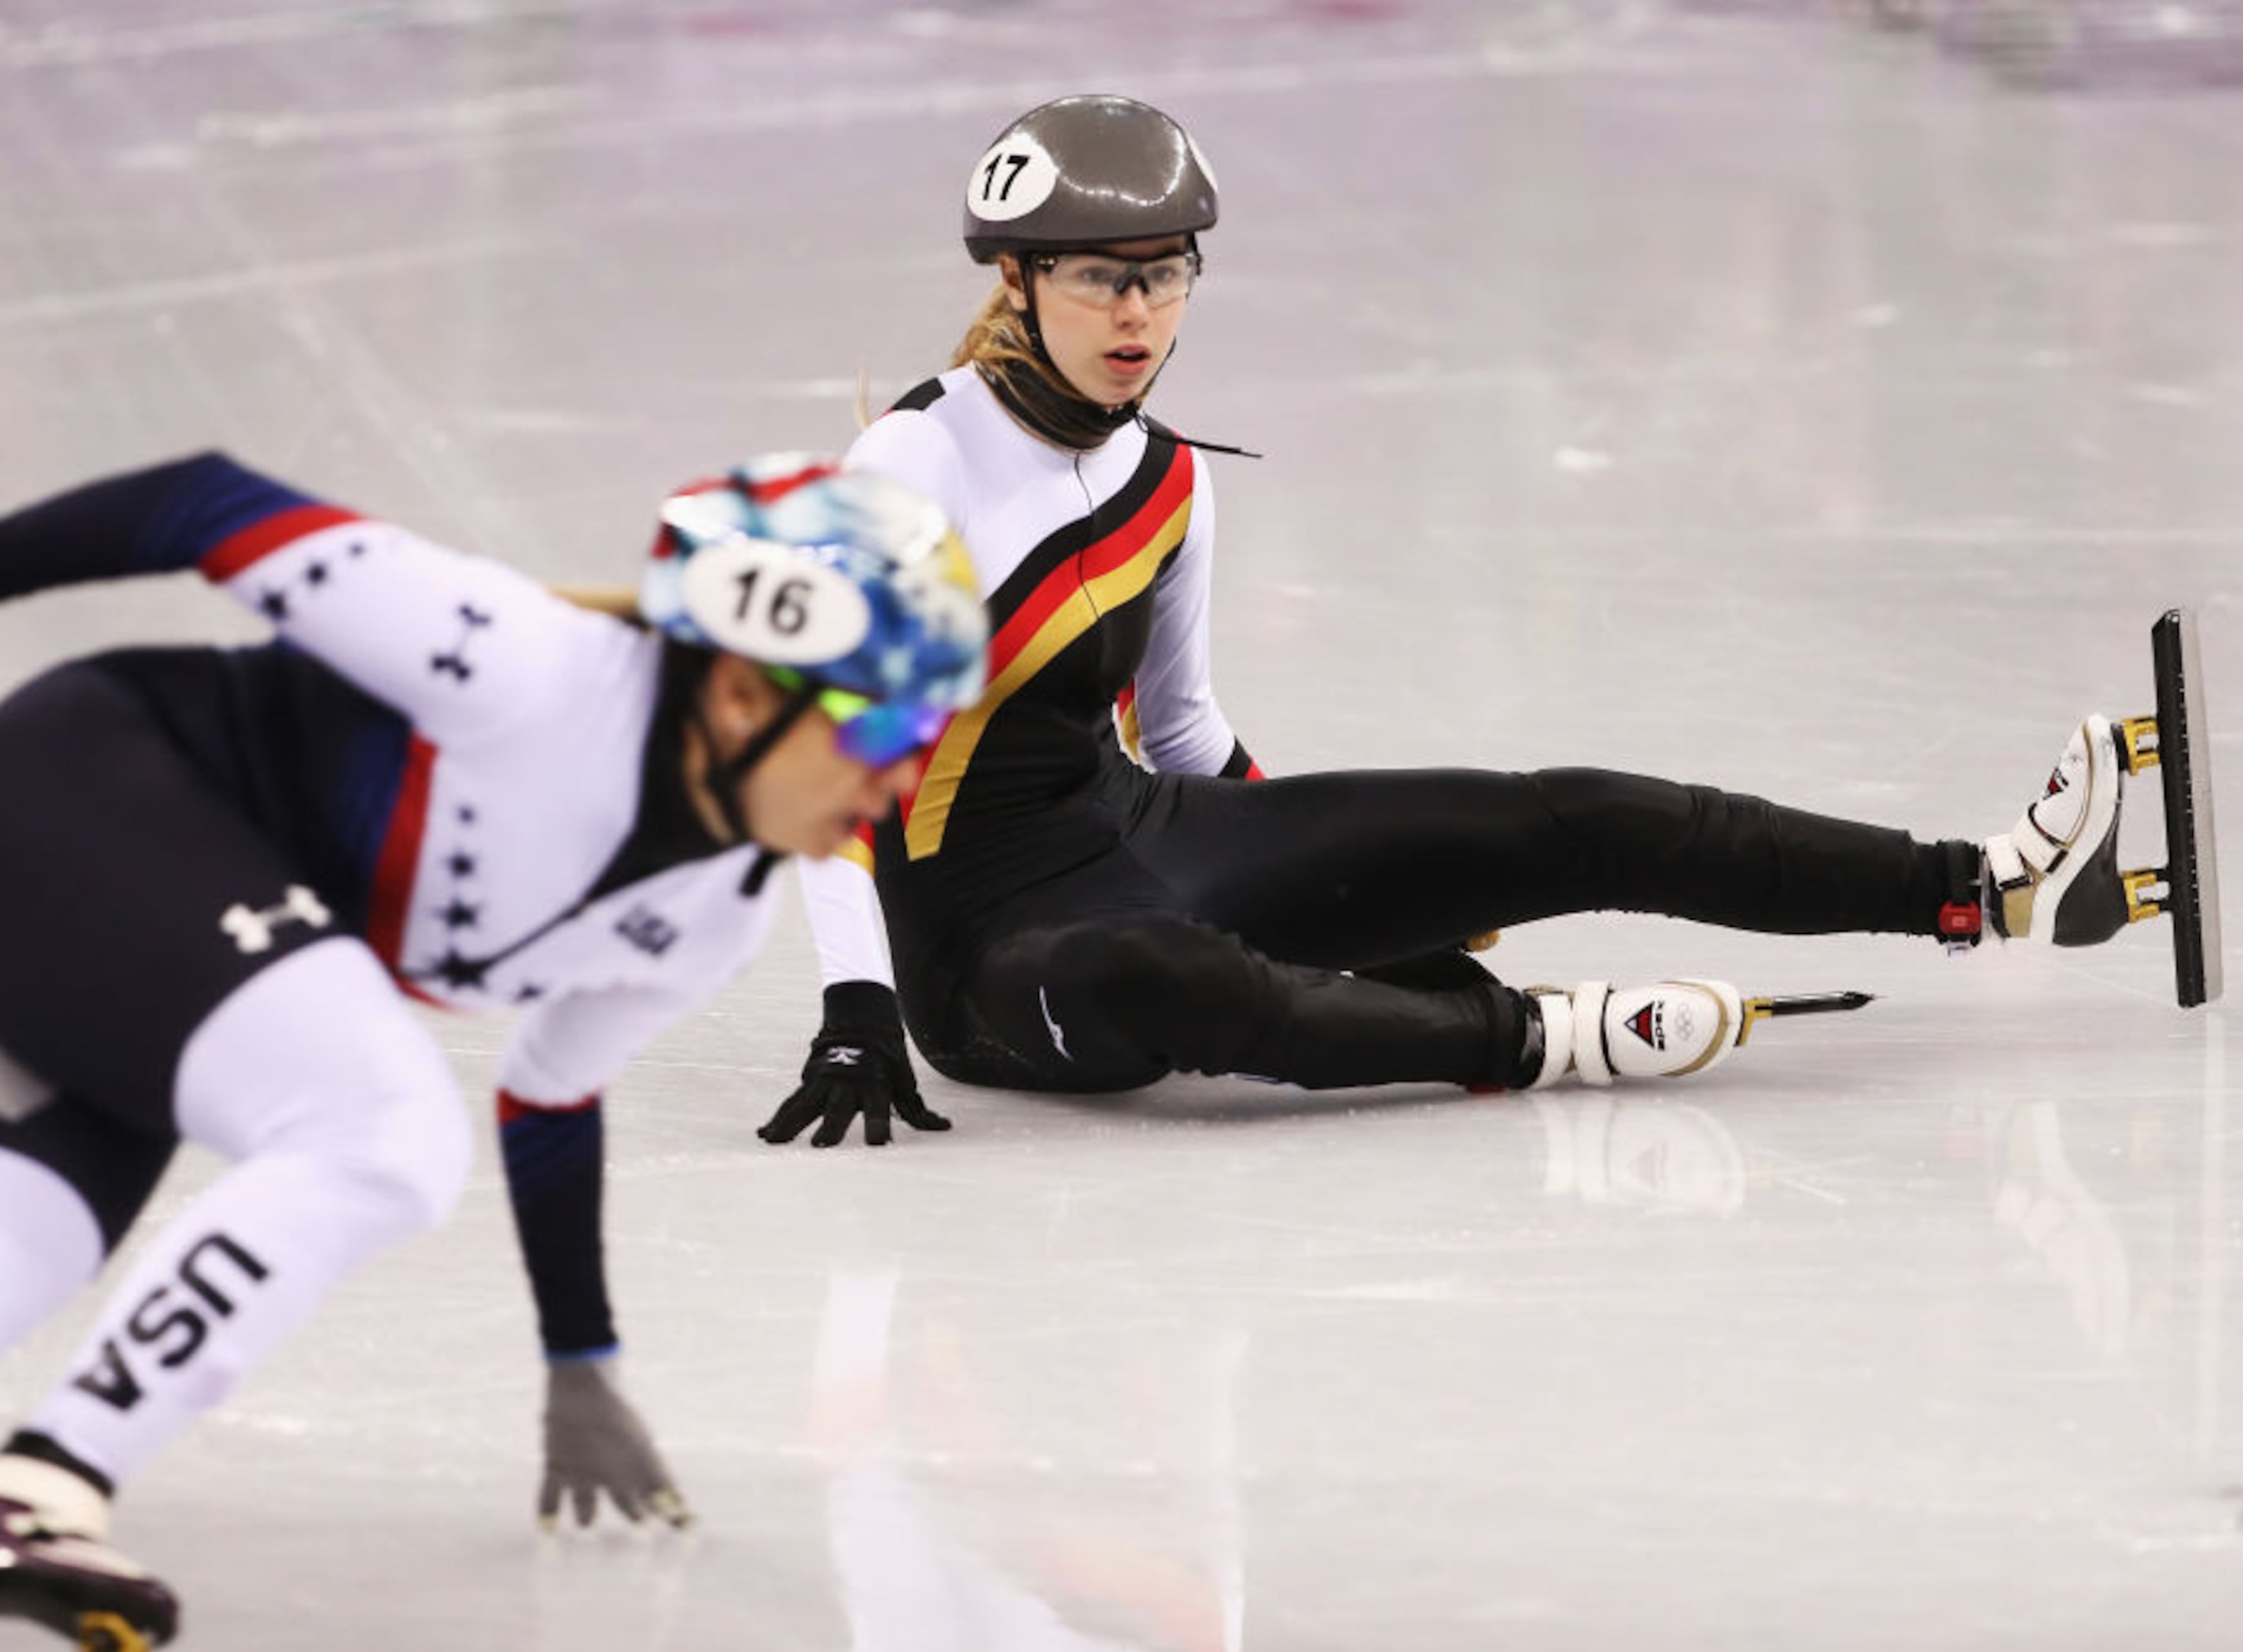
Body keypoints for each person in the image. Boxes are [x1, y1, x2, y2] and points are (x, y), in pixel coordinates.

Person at [0, 450, 987, 1652]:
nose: (898, 780)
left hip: (108, 959)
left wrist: (580, 1363)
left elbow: (551, 1095)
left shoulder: (710, 923)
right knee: (385, 1129)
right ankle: (41, 1493)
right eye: (883, 721)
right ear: (740, 690)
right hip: (73, 794)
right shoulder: (525, 664)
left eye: (928, 733)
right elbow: (198, 505)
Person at [755, 93, 2141, 1148]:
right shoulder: (912, 467)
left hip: (1149, 841)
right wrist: (858, 1009)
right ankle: (1532, 1040)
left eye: (1166, 273)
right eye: (1100, 279)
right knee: (1158, 971)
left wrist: (1335, 886)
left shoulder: (1168, 472)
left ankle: (1984, 883)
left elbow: (1180, 730)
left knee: (1572, 814)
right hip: (989, 958)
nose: (1140, 313)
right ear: (1016, 280)